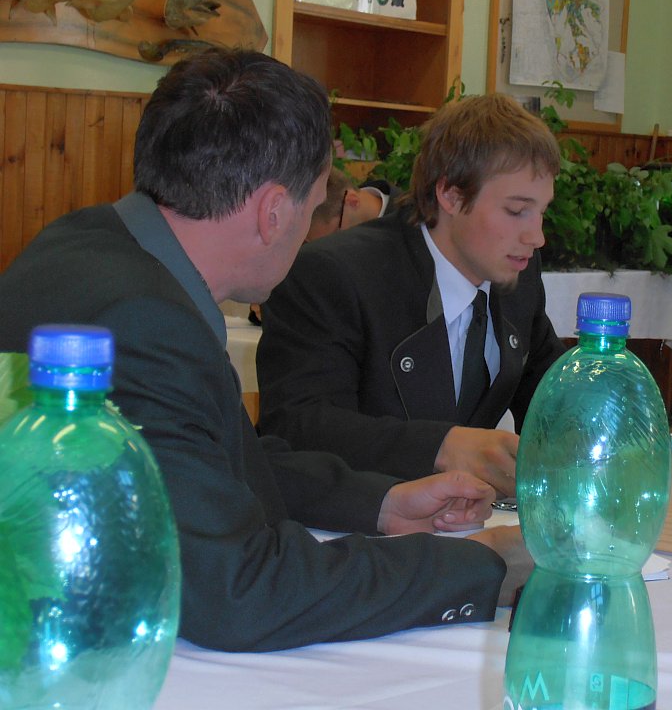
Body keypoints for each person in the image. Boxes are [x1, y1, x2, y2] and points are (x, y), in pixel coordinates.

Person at [0, 49, 531, 652]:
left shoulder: (83, 243)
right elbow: (241, 591)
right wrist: (481, 564)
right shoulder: (146, 323)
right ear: (274, 211)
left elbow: (206, 461)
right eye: (313, 205)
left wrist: (379, 504)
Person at [257, 93, 566, 497]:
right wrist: (442, 447)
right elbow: (299, 428)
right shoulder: (331, 275)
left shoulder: (516, 275)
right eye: (516, 210)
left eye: (542, 211)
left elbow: (551, 393)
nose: (536, 236)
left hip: (466, 521)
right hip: (348, 523)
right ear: (450, 195)